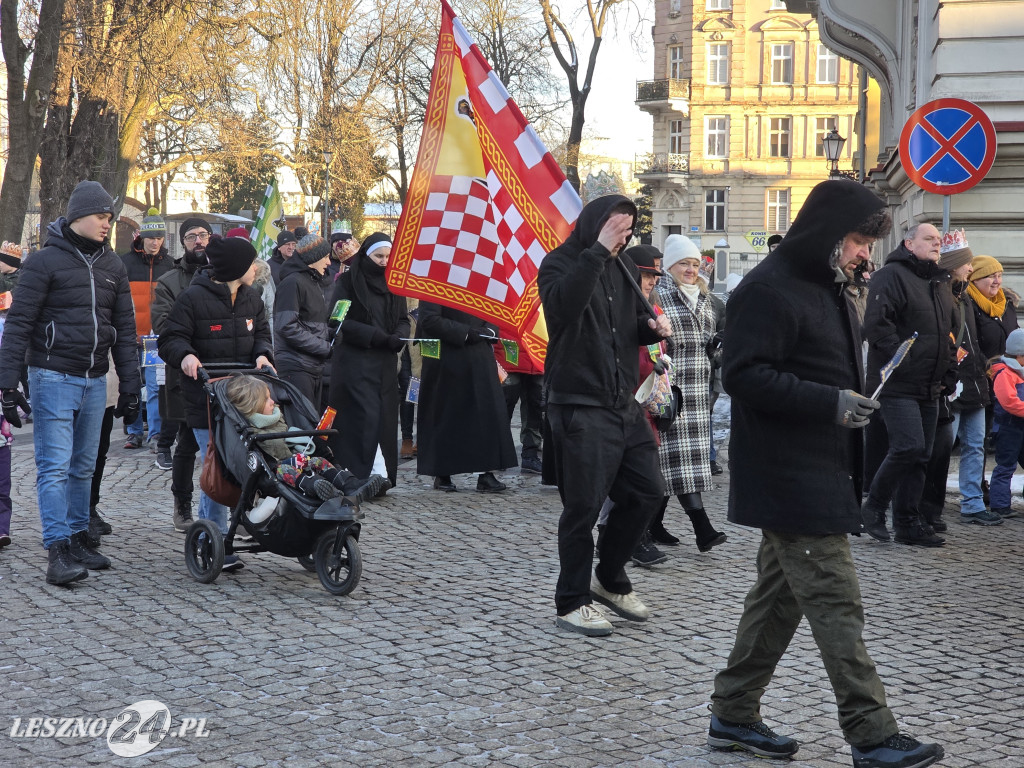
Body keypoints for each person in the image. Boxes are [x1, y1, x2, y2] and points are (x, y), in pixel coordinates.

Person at [709, 179, 944, 768]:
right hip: (789, 474)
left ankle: (732, 714)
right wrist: (831, 402)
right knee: (838, 603)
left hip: (823, 466)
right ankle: (871, 732)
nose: (867, 253)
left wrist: (848, 398)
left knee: (778, 601)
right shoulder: (767, 289)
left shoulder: (829, 284)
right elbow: (742, 375)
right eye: (861, 241)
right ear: (828, 235)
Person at [537, 194, 672, 637]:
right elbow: (563, 310)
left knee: (648, 492)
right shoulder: (560, 262)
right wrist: (598, 250)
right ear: (596, 224)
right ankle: (571, 601)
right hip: (579, 402)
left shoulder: (623, 268)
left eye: (629, 229)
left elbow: (629, 324)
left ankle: (609, 576)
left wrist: (650, 328)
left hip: (623, 403)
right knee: (583, 506)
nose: (624, 236)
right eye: (617, 227)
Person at [0, 180, 142, 586]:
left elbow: (125, 330)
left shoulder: (113, 266)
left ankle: (80, 535)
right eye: (101, 216)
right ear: (79, 215)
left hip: (96, 378)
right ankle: (57, 547)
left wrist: (130, 387)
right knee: (55, 466)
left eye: (110, 218)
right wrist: (6, 385)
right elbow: (20, 324)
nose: (107, 224)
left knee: (83, 465)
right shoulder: (44, 262)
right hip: (52, 376)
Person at [157, 235, 274, 571]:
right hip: (205, 397)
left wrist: (264, 354)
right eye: (251, 263)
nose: (255, 268)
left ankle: (246, 525)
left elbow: (262, 334)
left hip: (245, 396)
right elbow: (171, 339)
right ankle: (216, 536)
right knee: (218, 465)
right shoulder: (193, 298)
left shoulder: (252, 298)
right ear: (237, 268)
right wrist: (186, 356)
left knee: (249, 462)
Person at [861, 222, 956, 546]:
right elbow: (877, 325)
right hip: (896, 382)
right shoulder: (890, 276)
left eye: (939, 241)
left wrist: (948, 369)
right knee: (908, 446)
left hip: (930, 385)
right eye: (929, 239)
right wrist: (904, 359)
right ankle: (873, 506)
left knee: (921, 455)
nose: (936, 244)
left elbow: (946, 334)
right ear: (909, 242)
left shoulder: (940, 281)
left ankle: (907, 522)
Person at [647, 234, 727, 554]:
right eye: (684, 263)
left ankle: (652, 526)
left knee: (677, 464)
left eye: (695, 264)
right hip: (670, 389)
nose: (691, 269)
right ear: (670, 267)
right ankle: (702, 529)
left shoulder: (707, 299)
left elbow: (713, 339)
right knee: (678, 462)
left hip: (698, 391)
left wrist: (717, 349)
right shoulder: (660, 293)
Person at [224, 375, 386, 512]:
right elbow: (263, 460)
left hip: (291, 463)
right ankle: (317, 487)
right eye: (267, 399)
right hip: (271, 473)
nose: (273, 401)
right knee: (284, 468)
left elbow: (287, 446)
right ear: (254, 405)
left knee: (319, 461)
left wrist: (300, 453)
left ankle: (350, 485)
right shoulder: (249, 431)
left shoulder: (277, 419)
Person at [327, 233, 407, 490]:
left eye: (388, 257)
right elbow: (338, 320)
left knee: (383, 419)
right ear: (367, 256)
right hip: (355, 363)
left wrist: (399, 336)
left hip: (385, 364)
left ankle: (382, 475)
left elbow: (404, 318)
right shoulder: (348, 281)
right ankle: (361, 475)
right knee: (363, 419)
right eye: (378, 256)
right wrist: (374, 336)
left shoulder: (395, 282)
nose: (384, 262)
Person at [151, 217, 210, 529]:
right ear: (183, 242)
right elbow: (163, 327)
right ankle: (183, 507)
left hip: (224, 371)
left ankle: (236, 507)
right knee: (187, 442)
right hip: (185, 373)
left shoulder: (227, 276)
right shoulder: (170, 281)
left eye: (202, 235)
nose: (198, 241)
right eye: (191, 236)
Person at [939, 239, 1001, 526]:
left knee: (975, 446)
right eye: (966, 262)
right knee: (941, 447)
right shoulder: (941, 294)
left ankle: (973, 504)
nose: (969, 267)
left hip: (974, 382)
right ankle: (929, 502)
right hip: (953, 384)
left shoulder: (965, 296)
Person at [121, 208, 173, 450]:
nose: (155, 243)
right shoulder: (125, 263)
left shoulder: (170, 265)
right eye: (151, 238)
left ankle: (155, 434)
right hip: (129, 336)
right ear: (142, 236)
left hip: (155, 339)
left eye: (159, 238)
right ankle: (133, 432)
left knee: (153, 387)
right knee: (130, 385)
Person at [274, 233, 333, 406]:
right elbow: (286, 326)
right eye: (325, 257)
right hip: (296, 366)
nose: (329, 262)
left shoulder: (312, 282)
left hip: (311, 366)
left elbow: (308, 324)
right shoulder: (292, 283)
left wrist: (331, 333)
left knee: (313, 427)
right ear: (312, 257)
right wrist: (325, 347)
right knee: (301, 428)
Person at [987, 328, 1024, 518]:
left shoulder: (1019, 372)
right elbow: (1009, 402)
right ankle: (999, 505)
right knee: (1006, 466)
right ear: (1019, 355)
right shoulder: (1004, 373)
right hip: (1008, 428)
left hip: (1020, 426)